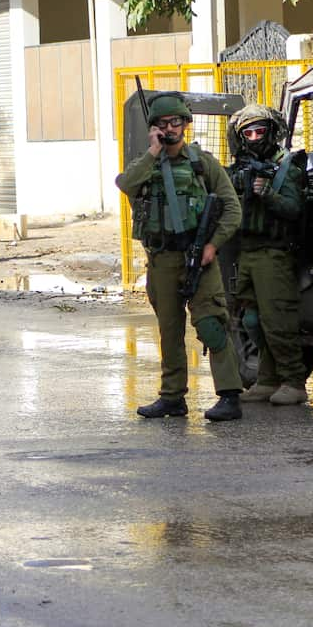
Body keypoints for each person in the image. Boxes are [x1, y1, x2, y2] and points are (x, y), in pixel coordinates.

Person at [116, 92, 245, 422]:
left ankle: (229, 395)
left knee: (211, 324)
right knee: (169, 331)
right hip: (161, 260)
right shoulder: (145, 165)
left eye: (175, 122)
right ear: (154, 128)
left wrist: (213, 245)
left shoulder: (202, 163)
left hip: (199, 257)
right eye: (162, 123)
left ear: (186, 124)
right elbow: (125, 183)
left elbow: (232, 208)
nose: (170, 128)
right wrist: (153, 151)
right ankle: (172, 397)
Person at [226, 105, 310, 406]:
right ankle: (267, 378)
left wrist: (268, 194)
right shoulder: (238, 170)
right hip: (247, 252)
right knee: (250, 320)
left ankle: (294, 381)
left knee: (278, 321)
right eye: (247, 132)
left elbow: (293, 209)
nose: (253, 137)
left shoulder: (285, 167)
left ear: (271, 132)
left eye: (259, 131)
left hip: (274, 253)